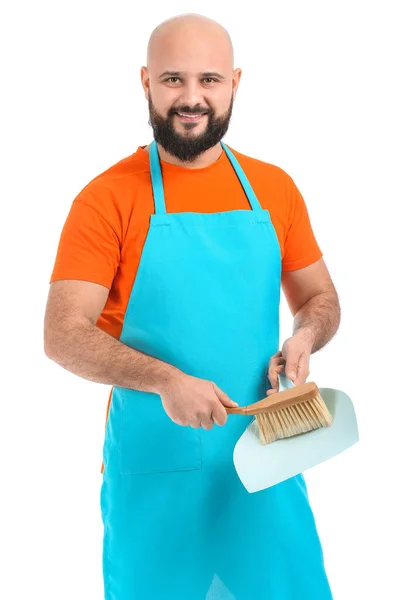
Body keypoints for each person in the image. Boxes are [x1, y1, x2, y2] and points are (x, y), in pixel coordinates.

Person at [44, 12, 340, 600]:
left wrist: (304, 337)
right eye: (173, 79)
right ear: (146, 82)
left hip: (266, 457)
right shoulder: (106, 198)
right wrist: (165, 380)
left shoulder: (274, 187)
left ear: (234, 82)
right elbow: (61, 334)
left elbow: (320, 298)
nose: (191, 98)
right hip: (157, 470)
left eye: (208, 80)